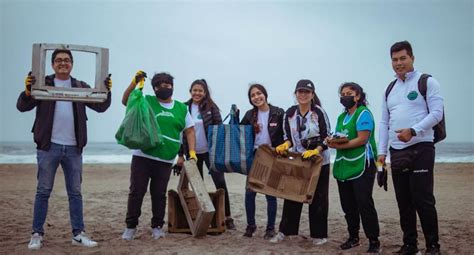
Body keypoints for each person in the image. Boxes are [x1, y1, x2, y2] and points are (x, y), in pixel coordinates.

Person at [17, 49, 112, 250]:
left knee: (75, 193)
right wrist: (27, 91)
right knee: (43, 191)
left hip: (73, 148)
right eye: (59, 60)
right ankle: (36, 234)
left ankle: (78, 234)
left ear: (72, 64)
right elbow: (22, 106)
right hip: (48, 146)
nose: (63, 63)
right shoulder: (43, 84)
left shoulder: (80, 86)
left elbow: (101, 107)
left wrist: (106, 90)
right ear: (52, 64)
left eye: (67, 60)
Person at [378, 41, 443, 255]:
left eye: (402, 58)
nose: (399, 63)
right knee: (403, 201)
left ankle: (432, 246)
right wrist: (381, 153)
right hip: (397, 152)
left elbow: (436, 114)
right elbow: (384, 123)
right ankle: (410, 244)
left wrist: (413, 131)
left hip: (421, 148)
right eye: (395, 60)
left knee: (423, 199)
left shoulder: (427, 82)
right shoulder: (389, 89)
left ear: (412, 58)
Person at [120, 71, 196, 240]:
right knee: (136, 192)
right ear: (154, 89)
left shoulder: (181, 108)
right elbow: (126, 101)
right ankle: (130, 227)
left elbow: (190, 130)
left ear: (172, 87)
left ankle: (157, 227)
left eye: (167, 85)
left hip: (165, 159)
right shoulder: (147, 101)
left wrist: (191, 152)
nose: (164, 88)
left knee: (159, 194)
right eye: (159, 86)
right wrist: (134, 82)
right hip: (143, 156)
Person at [270, 79, 331, 246]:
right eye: (300, 91)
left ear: (312, 95)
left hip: (319, 162)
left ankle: (319, 235)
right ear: (295, 94)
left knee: (318, 198)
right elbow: (287, 137)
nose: (303, 95)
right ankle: (286, 232)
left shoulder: (319, 112)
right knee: (291, 196)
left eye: (307, 92)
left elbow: (327, 137)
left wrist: (316, 150)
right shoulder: (289, 113)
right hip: (298, 162)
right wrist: (285, 145)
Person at [327, 82, 381, 253]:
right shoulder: (341, 118)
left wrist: (339, 146)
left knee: (364, 203)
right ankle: (353, 237)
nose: (345, 96)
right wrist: (331, 141)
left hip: (363, 164)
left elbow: (362, 139)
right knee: (348, 205)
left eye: (349, 93)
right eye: (342, 94)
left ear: (357, 96)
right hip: (344, 165)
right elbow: (339, 136)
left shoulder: (363, 113)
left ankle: (374, 240)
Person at [179, 78, 235, 230]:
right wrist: (180, 155)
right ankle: (203, 215)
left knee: (220, 184)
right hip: (192, 154)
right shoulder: (183, 107)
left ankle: (228, 217)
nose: (197, 93)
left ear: (205, 93)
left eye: (200, 91)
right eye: (194, 90)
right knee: (199, 187)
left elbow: (219, 129)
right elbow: (179, 132)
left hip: (211, 153)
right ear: (190, 91)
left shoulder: (211, 106)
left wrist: (220, 152)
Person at [240, 84, 284, 239]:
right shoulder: (249, 115)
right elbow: (240, 135)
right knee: (250, 192)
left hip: (273, 155)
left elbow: (286, 134)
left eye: (259, 93)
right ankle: (250, 225)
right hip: (255, 155)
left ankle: (270, 228)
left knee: (270, 194)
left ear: (265, 94)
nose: (256, 97)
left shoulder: (278, 112)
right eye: (253, 95)